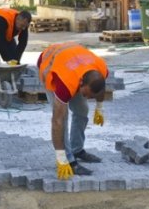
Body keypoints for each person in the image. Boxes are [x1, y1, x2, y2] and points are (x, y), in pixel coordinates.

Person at [38, 42, 108, 180]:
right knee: (62, 118)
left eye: (90, 96)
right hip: (50, 65)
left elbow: (100, 88)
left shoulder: (101, 69)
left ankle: (77, 150)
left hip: (73, 59)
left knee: (82, 109)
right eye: (87, 94)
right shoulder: (64, 84)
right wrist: (60, 157)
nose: (88, 97)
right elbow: (57, 122)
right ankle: (68, 160)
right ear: (81, 82)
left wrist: (99, 108)